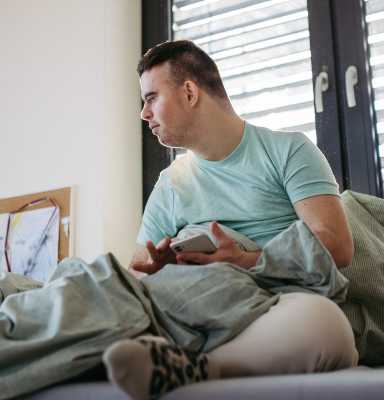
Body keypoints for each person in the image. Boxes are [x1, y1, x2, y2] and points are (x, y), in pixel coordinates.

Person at [102, 40, 358, 400]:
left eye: (151, 98)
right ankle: (185, 361)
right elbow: (138, 270)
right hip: (196, 312)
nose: (144, 113)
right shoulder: (170, 184)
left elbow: (338, 246)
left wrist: (244, 261)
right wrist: (160, 267)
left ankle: (203, 367)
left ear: (190, 92)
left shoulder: (288, 150)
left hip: (274, 310)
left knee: (328, 326)